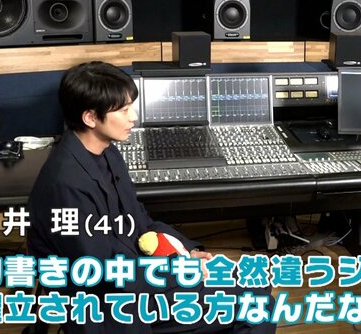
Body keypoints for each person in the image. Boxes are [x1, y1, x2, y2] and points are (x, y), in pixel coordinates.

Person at [28, 61, 275, 333]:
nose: (133, 117)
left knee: (256, 283)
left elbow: (140, 221)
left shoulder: (107, 151)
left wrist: (188, 251)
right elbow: (99, 273)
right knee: (257, 304)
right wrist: (178, 271)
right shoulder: (65, 185)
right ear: (90, 118)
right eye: (123, 110)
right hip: (116, 303)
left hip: (141, 274)